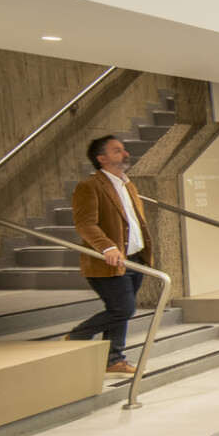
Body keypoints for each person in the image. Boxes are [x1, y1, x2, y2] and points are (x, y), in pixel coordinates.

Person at [63, 134, 150, 375]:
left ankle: (113, 358)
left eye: (123, 150)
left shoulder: (128, 185)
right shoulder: (89, 187)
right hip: (108, 261)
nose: (125, 154)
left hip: (134, 258)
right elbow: (85, 224)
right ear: (102, 159)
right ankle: (79, 335)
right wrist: (107, 246)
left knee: (120, 309)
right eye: (117, 151)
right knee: (123, 309)